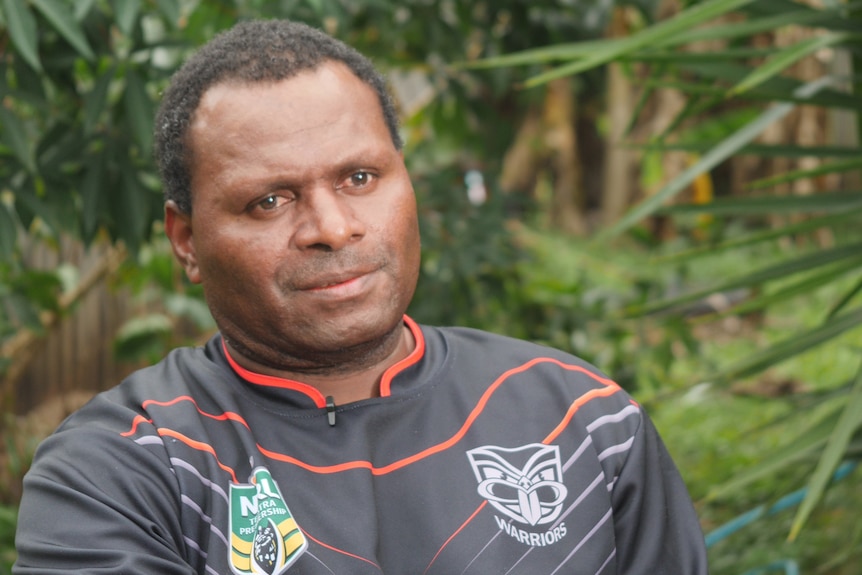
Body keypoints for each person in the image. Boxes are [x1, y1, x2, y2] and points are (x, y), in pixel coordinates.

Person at [14, 19, 708, 575]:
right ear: (187, 239)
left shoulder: (580, 418)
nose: (334, 227)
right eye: (269, 200)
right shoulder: (124, 468)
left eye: (360, 178)